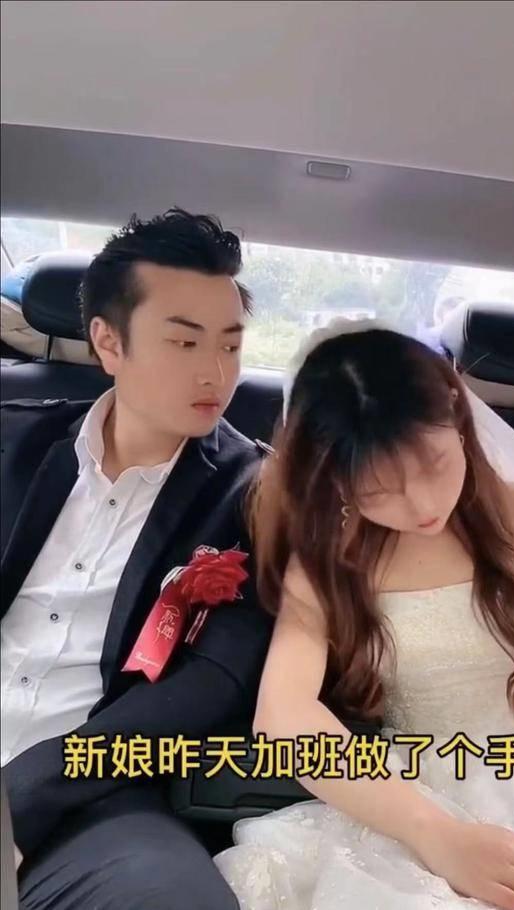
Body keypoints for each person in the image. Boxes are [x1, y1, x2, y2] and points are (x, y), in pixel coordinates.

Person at [214, 318, 514, 910]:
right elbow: (282, 718)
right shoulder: (329, 559)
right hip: (413, 797)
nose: (422, 504)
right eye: (378, 490)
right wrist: (438, 835)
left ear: (457, 413)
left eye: (434, 464)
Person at [1, 208, 273, 909]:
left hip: (93, 797)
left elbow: (213, 682)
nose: (216, 372)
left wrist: (25, 793)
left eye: (231, 345)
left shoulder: (260, 496)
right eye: (184, 342)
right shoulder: (13, 441)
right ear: (108, 342)